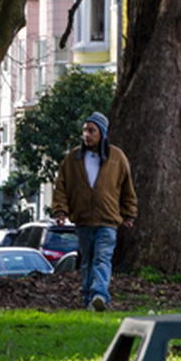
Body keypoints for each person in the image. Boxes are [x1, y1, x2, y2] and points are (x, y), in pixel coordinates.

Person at [51, 111, 137, 312]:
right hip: (83, 220)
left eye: (92, 130)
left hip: (108, 220)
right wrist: (60, 212)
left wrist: (129, 213)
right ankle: (89, 297)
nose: (87, 135)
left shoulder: (117, 157)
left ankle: (100, 294)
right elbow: (61, 187)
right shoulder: (73, 158)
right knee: (88, 260)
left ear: (102, 133)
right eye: (84, 130)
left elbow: (126, 187)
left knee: (102, 258)